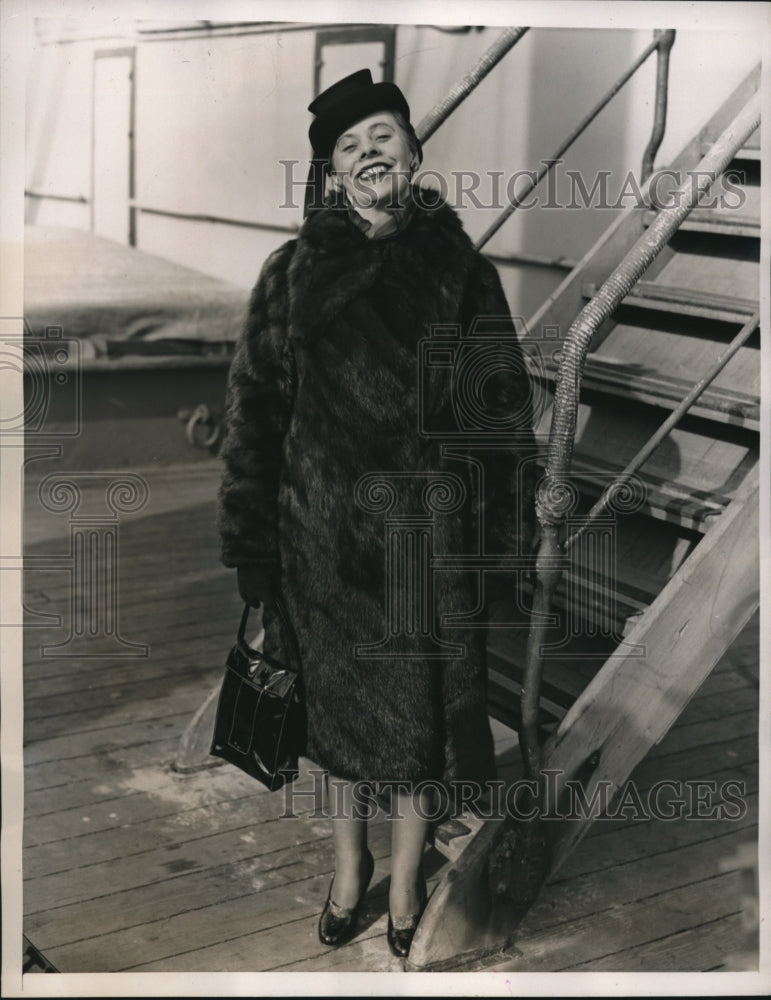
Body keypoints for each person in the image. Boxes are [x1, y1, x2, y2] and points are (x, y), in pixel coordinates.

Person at [217, 68, 537, 960]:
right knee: (335, 724)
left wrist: (503, 545)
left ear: (415, 152)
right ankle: (348, 867)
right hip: (316, 546)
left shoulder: (461, 276)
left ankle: (402, 880)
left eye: (384, 137)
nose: (369, 156)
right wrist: (252, 545)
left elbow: (499, 416)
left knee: (412, 724)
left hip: (419, 549)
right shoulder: (289, 276)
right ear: (330, 176)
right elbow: (255, 416)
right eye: (349, 148)